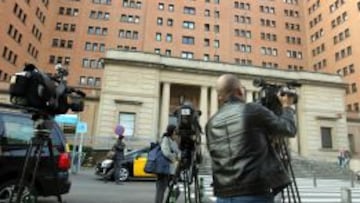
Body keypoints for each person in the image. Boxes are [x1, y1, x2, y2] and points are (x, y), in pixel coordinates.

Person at [205, 74, 297, 203]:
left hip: (222, 195)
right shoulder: (253, 110)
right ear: (239, 91)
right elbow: (288, 129)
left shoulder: (211, 122)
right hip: (253, 193)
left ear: (220, 96)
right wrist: (287, 107)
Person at [155, 124, 180, 203]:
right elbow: (166, 152)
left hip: (171, 170)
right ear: (172, 132)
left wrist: (177, 156)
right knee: (161, 190)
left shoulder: (173, 141)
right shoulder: (165, 139)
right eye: (175, 131)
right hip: (163, 169)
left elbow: (178, 152)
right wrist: (174, 157)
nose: (176, 133)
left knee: (176, 190)